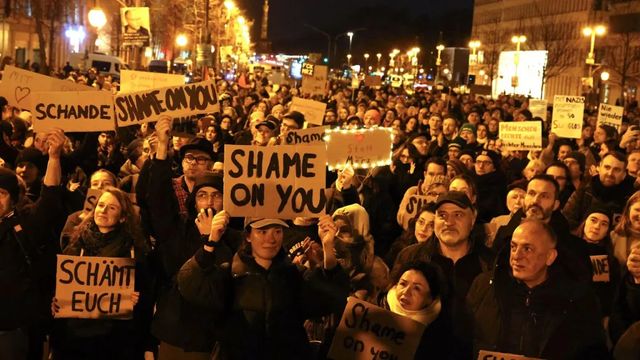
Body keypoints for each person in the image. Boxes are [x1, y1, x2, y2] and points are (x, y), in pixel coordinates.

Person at [176, 215, 350, 359]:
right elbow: (189, 284)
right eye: (262, 231)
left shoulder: (294, 275)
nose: (271, 238)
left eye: (277, 231)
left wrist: (328, 248)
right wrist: (211, 242)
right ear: (248, 236)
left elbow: (329, 300)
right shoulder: (229, 274)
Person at [467, 220, 609, 359]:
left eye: (527, 249)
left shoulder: (579, 300)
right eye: (513, 247)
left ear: (550, 257)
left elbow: (594, 352)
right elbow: (465, 339)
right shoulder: (485, 286)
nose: (516, 256)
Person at [50, 187, 153, 359]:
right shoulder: (75, 246)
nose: (103, 210)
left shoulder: (136, 254)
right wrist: (56, 301)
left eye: (112, 207)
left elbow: (147, 302)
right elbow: (60, 288)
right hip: (74, 341)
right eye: (101, 205)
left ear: (123, 217)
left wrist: (135, 300)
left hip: (116, 343)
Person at [392, 191, 493, 359]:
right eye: (442, 215)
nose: (449, 222)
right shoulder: (410, 257)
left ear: (473, 218)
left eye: (458, 215)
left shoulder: (490, 263)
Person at [377, 261, 453, 359]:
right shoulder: (373, 312)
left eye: (417, 288)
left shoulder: (440, 338)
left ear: (430, 299)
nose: (406, 292)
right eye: (403, 284)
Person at [563, 151, 635, 230]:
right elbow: (567, 218)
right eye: (607, 167)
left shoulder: (631, 197)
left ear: (624, 174)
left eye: (617, 170)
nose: (610, 173)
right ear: (599, 168)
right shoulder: (585, 188)